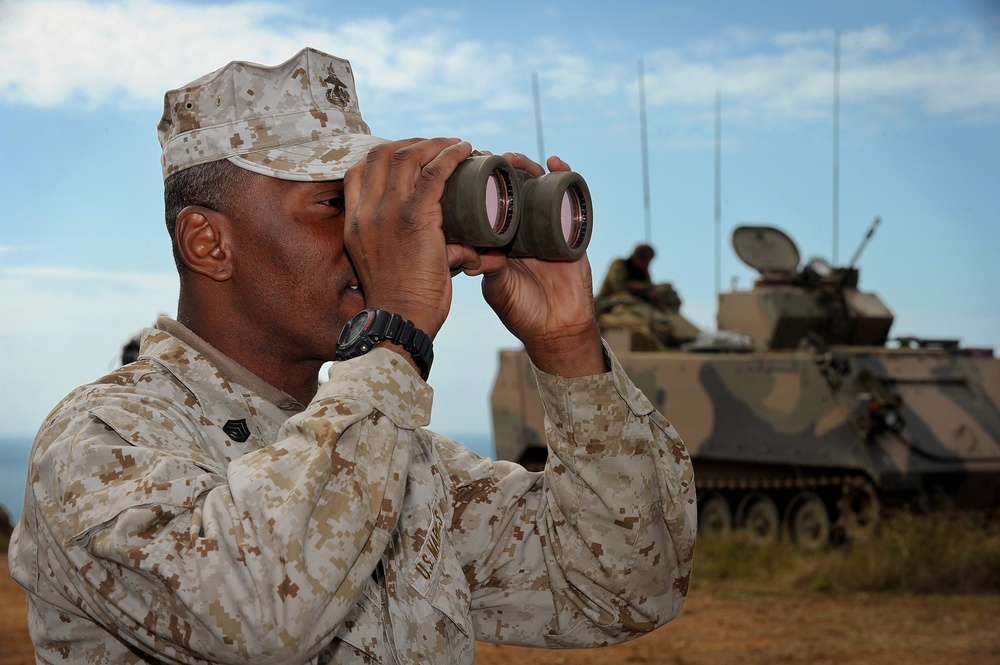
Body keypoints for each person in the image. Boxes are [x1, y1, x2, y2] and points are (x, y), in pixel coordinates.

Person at [9, 47, 696, 664]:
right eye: (336, 203)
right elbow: (262, 618)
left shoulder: (403, 462)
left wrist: (567, 348)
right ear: (208, 243)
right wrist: (392, 333)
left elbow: (623, 586)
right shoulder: (100, 443)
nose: (372, 233)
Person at [595, 243, 699, 347]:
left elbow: (648, 287)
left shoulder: (643, 272)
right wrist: (639, 288)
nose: (648, 265)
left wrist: (650, 293)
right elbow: (620, 289)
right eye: (646, 261)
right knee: (629, 301)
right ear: (639, 258)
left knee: (666, 288)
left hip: (636, 302)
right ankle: (661, 324)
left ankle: (668, 325)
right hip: (609, 302)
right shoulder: (619, 265)